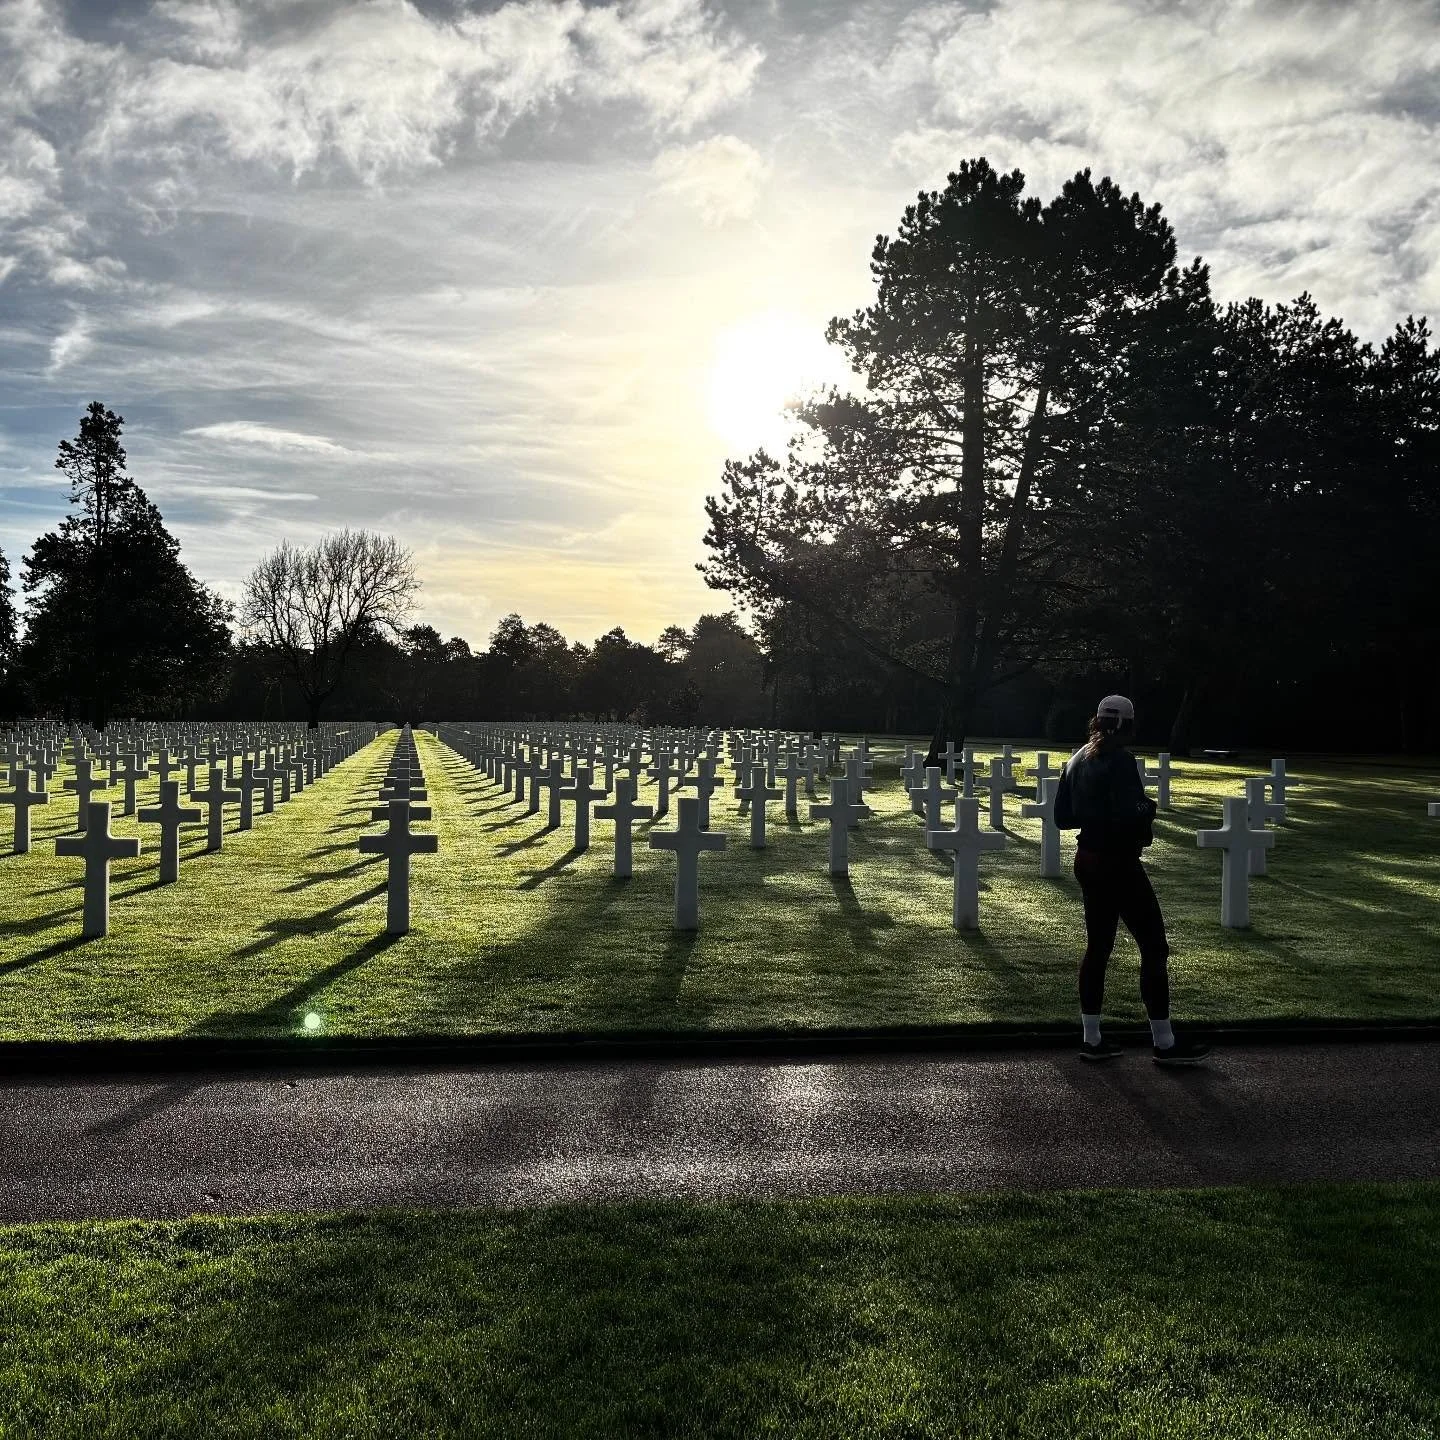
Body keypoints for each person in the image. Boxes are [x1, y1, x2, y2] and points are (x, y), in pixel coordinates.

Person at [1054, 694, 1209, 1065]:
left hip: (1086, 858)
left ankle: (1092, 1038)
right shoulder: (1120, 759)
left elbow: (1063, 818)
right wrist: (1147, 809)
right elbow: (1131, 812)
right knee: (1154, 948)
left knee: (1098, 948)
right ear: (1126, 723)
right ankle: (1165, 1042)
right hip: (1117, 862)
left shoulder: (1076, 758)